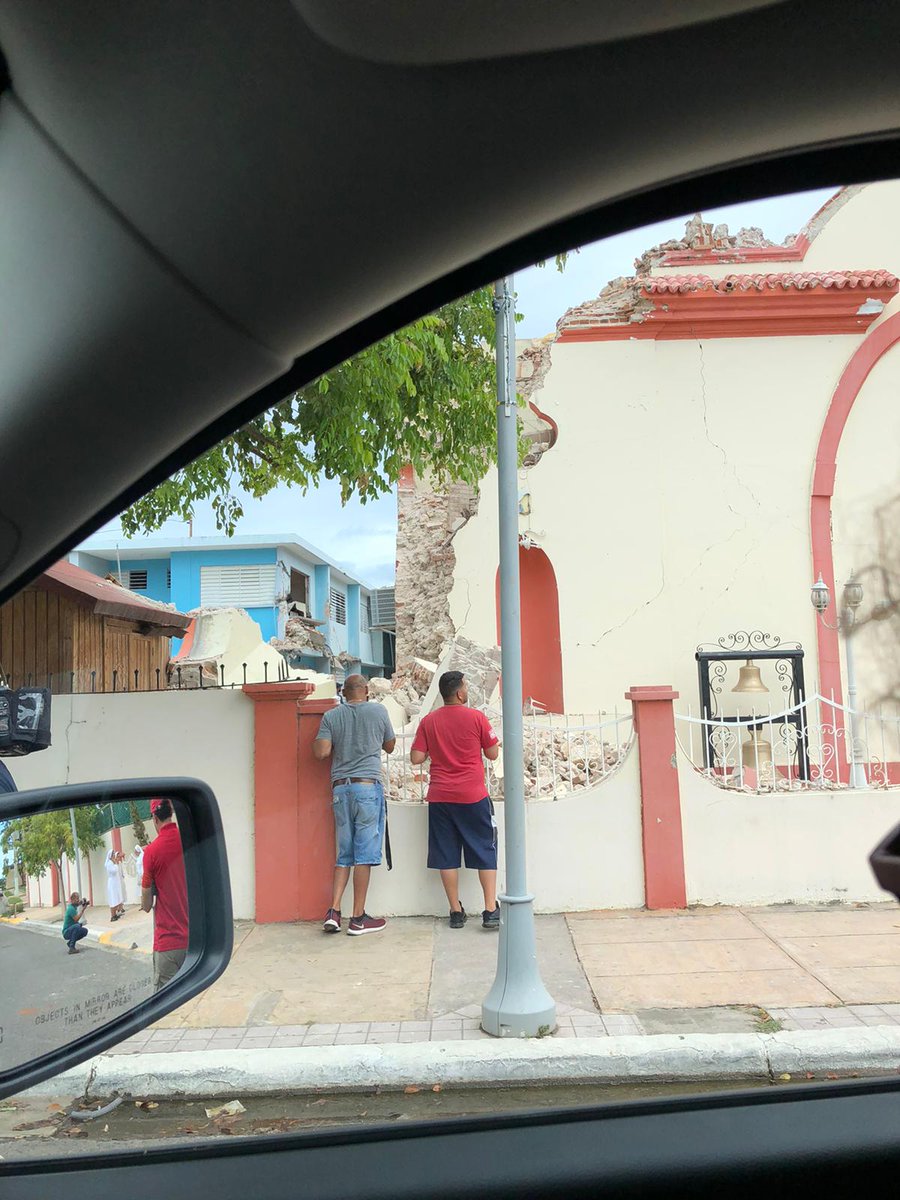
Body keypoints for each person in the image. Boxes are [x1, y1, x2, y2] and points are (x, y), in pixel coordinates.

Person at [410, 670, 501, 930]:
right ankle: (490, 910)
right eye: (466, 688)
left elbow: (416, 758)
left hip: (440, 797)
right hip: (473, 795)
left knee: (446, 854)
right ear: (460, 693)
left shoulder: (429, 721)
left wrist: (436, 749)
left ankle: (455, 911)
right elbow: (493, 753)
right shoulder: (477, 718)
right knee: (485, 849)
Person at [313, 674, 396, 935]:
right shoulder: (379, 711)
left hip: (341, 789)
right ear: (366, 690)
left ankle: (334, 911)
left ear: (343, 693)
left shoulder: (331, 716)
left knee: (344, 854)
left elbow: (321, 752)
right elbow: (390, 746)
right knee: (364, 855)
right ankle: (358, 918)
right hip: (367, 788)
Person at [141, 798, 188, 991]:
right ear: (171, 813)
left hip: (168, 944)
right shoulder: (188, 842)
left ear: (154, 818)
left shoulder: (151, 852)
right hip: (193, 941)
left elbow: (146, 905)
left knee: (166, 1001)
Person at [105, 848, 125, 921]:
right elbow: (114, 871)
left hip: (115, 883)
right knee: (113, 899)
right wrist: (116, 864)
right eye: (113, 854)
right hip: (112, 884)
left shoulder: (112, 863)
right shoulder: (109, 863)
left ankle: (115, 914)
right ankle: (112, 916)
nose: (114, 855)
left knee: (116, 898)